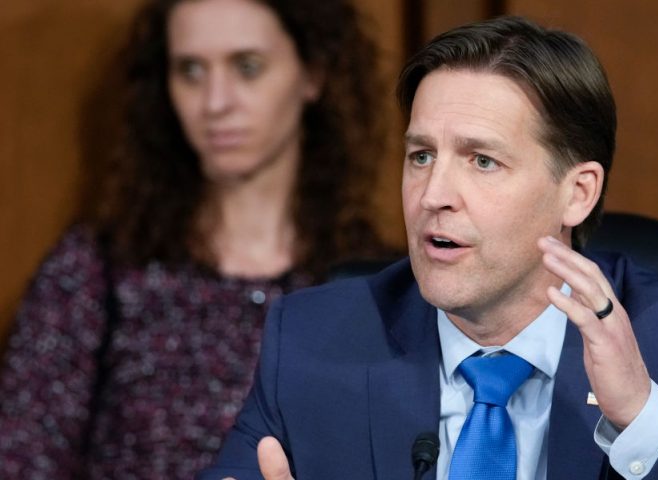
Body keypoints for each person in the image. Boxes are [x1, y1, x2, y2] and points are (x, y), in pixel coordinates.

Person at [199, 15, 658, 480]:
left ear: (577, 193)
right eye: (421, 156)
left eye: (483, 161)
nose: (433, 194)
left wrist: (643, 418)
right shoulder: (311, 339)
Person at [0, 0, 387, 478]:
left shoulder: (376, 286)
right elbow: (22, 463)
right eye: (190, 70)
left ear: (313, 73)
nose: (215, 102)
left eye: (247, 67)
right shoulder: (95, 271)